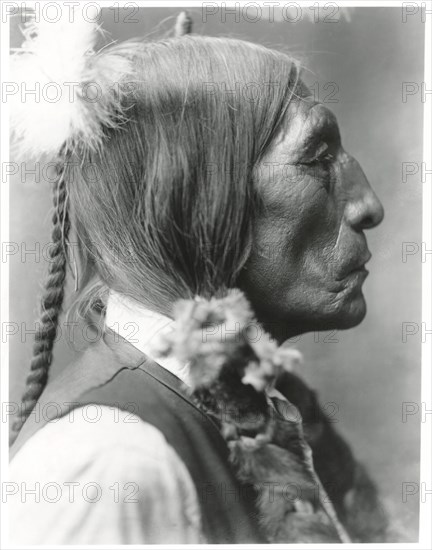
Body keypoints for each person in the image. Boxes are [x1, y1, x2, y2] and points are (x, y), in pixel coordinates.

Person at [8, 10, 387, 545]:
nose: (367, 206)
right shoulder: (106, 463)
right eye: (317, 158)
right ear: (193, 209)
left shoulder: (267, 403)